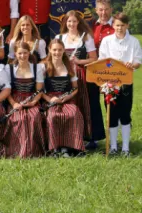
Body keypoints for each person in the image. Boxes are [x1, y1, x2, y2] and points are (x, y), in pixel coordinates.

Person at [55, 10, 101, 149]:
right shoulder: (59, 37)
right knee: (69, 104)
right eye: (69, 21)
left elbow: (94, 58)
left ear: (79, 22)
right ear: (65, 23)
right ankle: (69, 137)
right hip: (65, 76)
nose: (72, 24)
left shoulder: (86, 37)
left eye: (74, 21)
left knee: (85, 104)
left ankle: (90, 137)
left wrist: (79, 61)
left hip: (82, 75)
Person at [98, 13, 141, 156]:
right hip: (109, 83)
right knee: (111, 115)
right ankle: (114, 146)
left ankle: (126, 148)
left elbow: (138, 62)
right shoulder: (107, 41)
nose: (120, 28)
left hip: (126, 83)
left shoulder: (134, 42)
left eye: (122, 25)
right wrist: (110, 65)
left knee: (125, 114)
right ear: (113, 25)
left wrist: (132, 64)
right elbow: (102, 60)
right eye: (117, 25)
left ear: (127, 25)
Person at [40, 39, 84, 157]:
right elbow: (39, 90)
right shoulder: (43, 66)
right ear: (49, 50)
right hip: (50, 100)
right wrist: (50, 99)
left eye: (60, 50)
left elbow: (75, 88)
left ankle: (69, 147)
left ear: (64, 50)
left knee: (73, 113)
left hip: (66, 99)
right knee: (53, 115)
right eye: (54, 50)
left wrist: (67, 97)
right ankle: (54, 148)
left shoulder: (70, 66)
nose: (57, 52)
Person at [2, 42, 46, 158]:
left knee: (33, 116)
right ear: (15, 54)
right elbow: (7, 92)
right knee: (17, 118)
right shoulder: (9, 68)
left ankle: (33, 151)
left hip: (32, 99)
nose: (22, 56)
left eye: (25, 53)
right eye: (20, 53)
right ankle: (16, 151)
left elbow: (39, 91)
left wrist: (33, 102)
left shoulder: (37, 68)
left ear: (29, 53)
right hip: (15, 99)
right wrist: (14, 104)